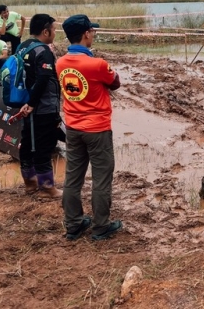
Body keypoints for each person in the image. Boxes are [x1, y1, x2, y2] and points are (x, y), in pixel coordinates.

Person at [56, 14, 123, 241]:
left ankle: (73, 224)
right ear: (86, 34)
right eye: (92, 31)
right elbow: (115, 82)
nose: (93, 34)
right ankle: (101, 226)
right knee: (101, 178)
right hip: (97, 129)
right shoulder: (98, 64)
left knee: (73, 178)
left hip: (73, 128)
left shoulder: (60, 63)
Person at [17, 14, 63, 199]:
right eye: (54, 29)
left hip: (25, 104)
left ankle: (30, 183)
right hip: (43, 107)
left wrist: (28, 103)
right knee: (45, 145)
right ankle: (47, 188)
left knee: (28, 143)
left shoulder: (23, 46)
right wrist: (32, 104)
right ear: (45, 31)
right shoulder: (43, 51)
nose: (55, 32)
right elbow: (43, 79)